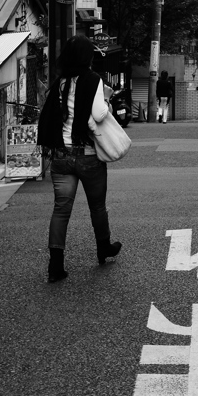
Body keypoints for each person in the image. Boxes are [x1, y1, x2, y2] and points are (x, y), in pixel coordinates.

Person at [37, 35, 122, 283]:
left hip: (62, 156)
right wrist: (106, 97)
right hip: (88, 156)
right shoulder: (93, 80)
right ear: (87, 57)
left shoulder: (60, 83)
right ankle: (103, 248)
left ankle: (55, 265)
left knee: (61, 210)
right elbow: (98, 114)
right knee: (97, 206)